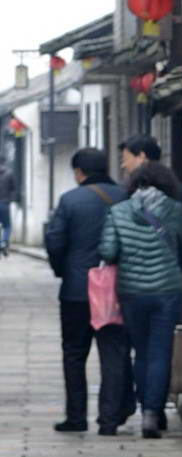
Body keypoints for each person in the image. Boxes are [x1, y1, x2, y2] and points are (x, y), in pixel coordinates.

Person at [98, 160, 182, 441]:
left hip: (131, 292)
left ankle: (145, 407)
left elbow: (108, 250)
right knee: (161, 352)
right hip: (168, 290)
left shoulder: (117, 211)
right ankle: (153, 413)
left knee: (141, 352)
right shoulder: (174, 208)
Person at [42, 147, 121, 433]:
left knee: (74, 353)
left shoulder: (70, 200)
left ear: (79, 172)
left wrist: (63, 270)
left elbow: (54, 240)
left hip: (78, 290)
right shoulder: (125, 197)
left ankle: (76, 417)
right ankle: (109, 420)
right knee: (114, 352)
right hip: (116, 290)